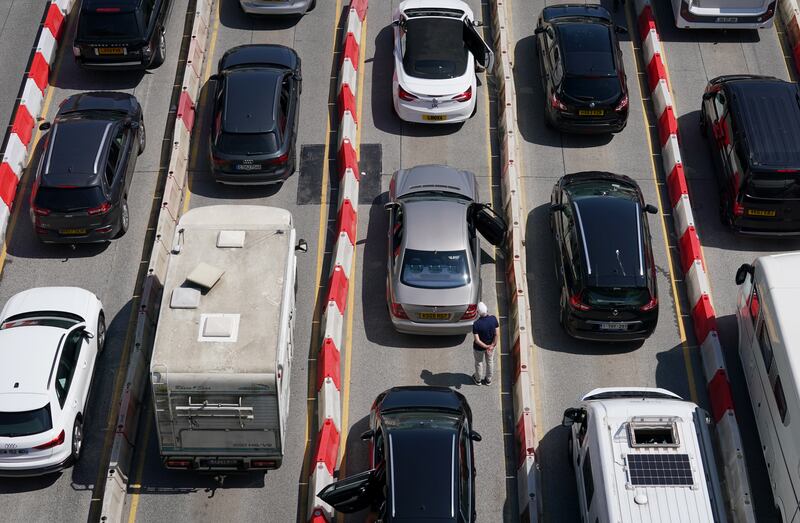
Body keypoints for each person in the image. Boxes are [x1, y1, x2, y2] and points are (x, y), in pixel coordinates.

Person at [471, 302, 499, 385]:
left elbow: (477, 340)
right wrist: (492, 346)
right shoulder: (493, 319)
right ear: (487, 310)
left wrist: (486, 347)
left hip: (479, 348)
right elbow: (497, 334)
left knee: (479, 363)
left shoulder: (476, 324)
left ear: (478, 313)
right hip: (491, 346)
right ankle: (488, 380)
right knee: (490, 362)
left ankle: (478, 379)